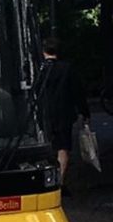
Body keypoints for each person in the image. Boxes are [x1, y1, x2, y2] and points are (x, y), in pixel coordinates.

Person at [35, 37, 90, 184]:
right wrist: (84, 112)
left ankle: (46, 178)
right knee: (63, 147)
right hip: (64, 113)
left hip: (45, 114)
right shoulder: (67, 68)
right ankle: (60, 180)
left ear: (43, 51)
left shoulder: (39, 69)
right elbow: (78, 92)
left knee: (47, 145)